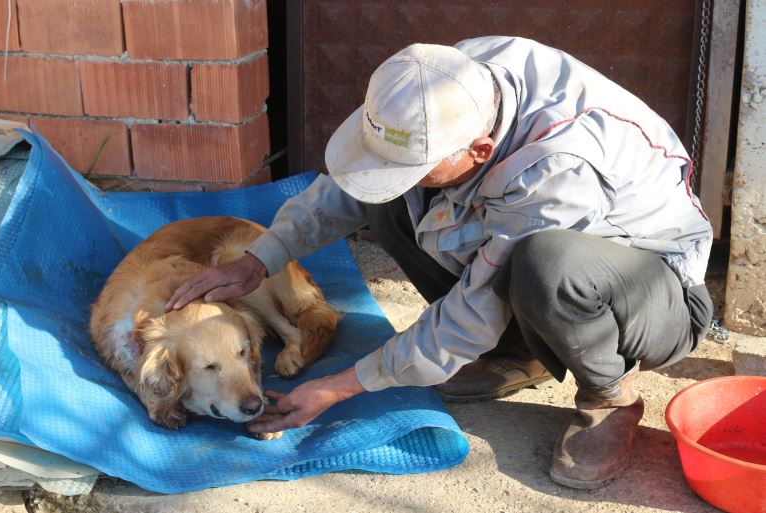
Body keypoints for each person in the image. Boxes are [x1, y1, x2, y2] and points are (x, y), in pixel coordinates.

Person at [164, 36, 713, 489]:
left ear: (477, 151)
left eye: (423, 167)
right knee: (384, 196)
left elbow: (468, 316)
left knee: (548, 263)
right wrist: (258, 261)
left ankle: (608, 395)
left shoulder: (558, 172)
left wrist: (340, 386)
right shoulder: (435, 82)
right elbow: (349, 186)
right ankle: (519, 350)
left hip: (654, 291)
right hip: (535, 241)